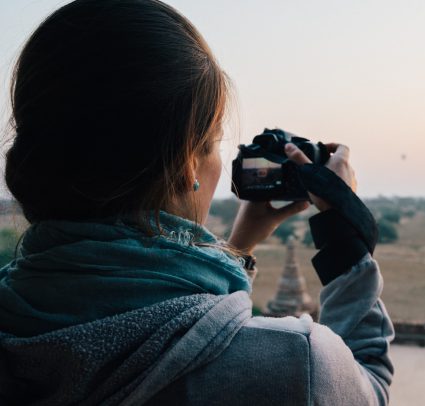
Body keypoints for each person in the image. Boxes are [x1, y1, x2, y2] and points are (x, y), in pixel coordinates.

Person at [0, 1, 394, 405]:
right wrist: (347, 246)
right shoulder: (293, 367)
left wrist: (236, 250)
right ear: (188, 161)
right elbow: (369, 385)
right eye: (213, 143)